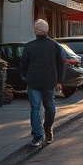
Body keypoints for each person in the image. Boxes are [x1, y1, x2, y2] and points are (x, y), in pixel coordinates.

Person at [19, 18, 65, 146]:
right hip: (49, 81)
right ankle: (47, 127)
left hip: (33, 81)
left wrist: (25, 76)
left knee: (35, 108)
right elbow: (61, 64)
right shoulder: (55, 45)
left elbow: (23, 64)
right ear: (46, 30)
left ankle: (37, 136)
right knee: (49, 106)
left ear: (35, 31)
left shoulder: (29, 46)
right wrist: (59, 81)